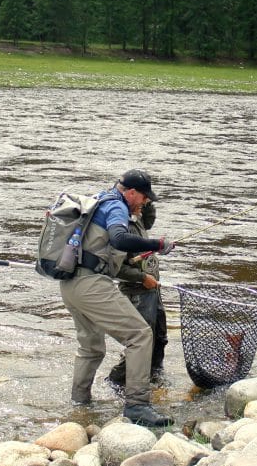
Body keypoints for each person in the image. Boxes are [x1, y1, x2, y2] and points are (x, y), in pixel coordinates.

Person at [58, 169, 175, 427]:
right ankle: (137, 406)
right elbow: (120, 239)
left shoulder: (99, 199)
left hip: (69, 284)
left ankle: (80, 407)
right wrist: (158, 244)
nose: (145, 202)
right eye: (144, 197)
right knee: (140, 335)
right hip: (90, 284)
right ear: (131, 192)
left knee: (91, 348)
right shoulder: (116, 206)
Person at [108, 200, 168, 386]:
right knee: (142, 340)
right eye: (142, 200)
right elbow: (115, 269)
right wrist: (142, 278)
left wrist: (149, 202)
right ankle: (118, 381)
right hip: (136, 292)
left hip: (152, 290)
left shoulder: (138, 219)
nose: (144, 206)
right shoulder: (118, 229)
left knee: (159, 337)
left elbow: (148, 220)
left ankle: (154, 378)